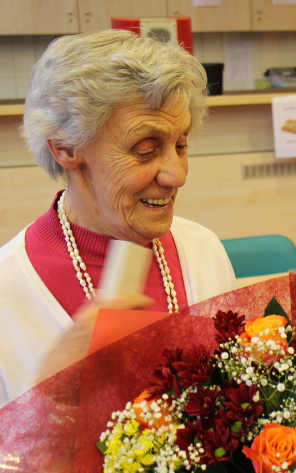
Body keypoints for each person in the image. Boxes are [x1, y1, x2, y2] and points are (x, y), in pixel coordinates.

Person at [0, 30, 237, 408]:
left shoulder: (203, 251)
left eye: (181, 145)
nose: (176, 175)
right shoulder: (8, 292)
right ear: (65, 148)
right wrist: (49, 401)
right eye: (145, 150)